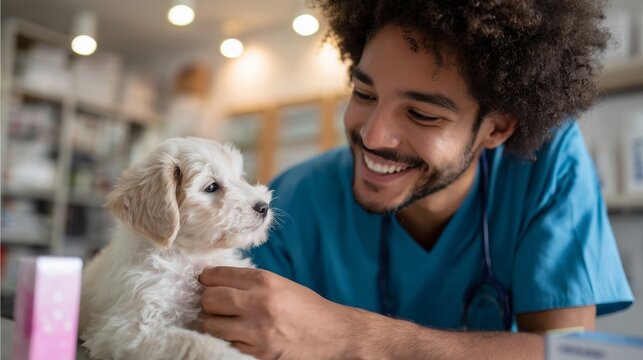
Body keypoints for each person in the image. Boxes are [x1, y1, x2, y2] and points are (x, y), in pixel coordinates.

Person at [198, 0, 634, 358]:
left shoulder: (546, 164)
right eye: (364, 94)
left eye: (421, 114)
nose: (372, 136)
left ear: (497, 127)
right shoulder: (295, 198)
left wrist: (352, 337)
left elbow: (576, 354)